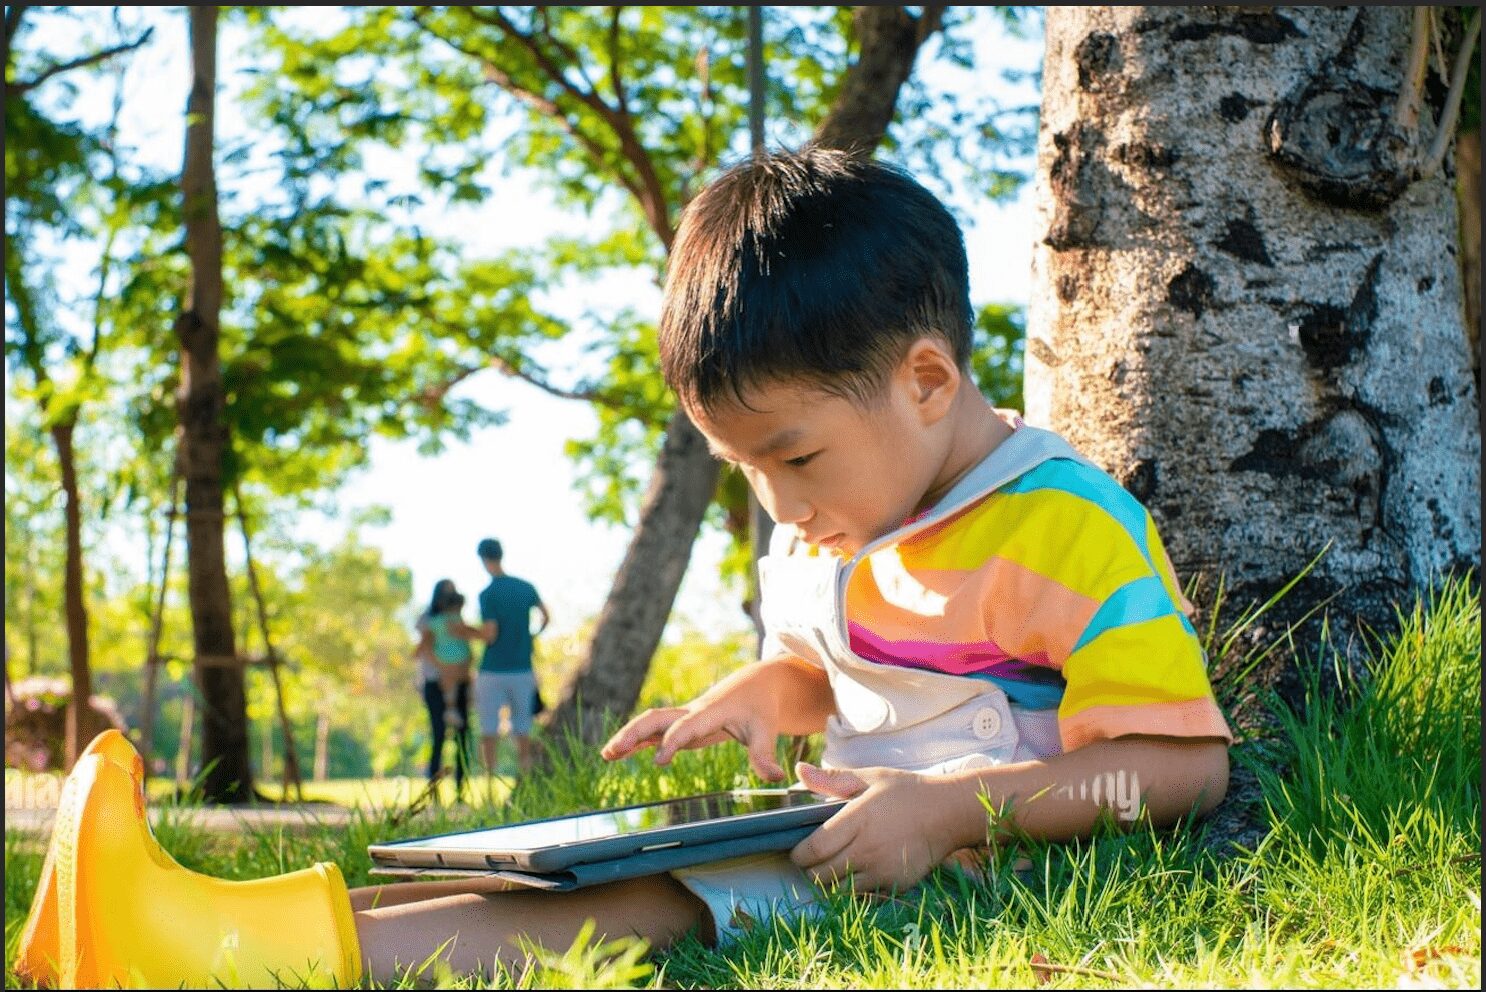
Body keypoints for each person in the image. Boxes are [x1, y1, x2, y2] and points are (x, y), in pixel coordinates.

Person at [13, 146, 1232, 989]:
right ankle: (179, 920)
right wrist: (769, 691)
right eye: (742, 467)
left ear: (925, 380)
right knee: (563, 863)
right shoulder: (841, 512)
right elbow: (839, 670)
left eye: (793, 455)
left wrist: (948, 807)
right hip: (848, 829)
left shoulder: (1063, 528)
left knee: (636, 899)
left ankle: (218, 954)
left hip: (959, 859)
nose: (778, 504)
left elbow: (1177, 772)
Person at [472, 537, 550, 775]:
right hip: (522, 667)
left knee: (489, 728)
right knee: (522, 728)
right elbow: (546, 617)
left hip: (492, 670)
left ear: (483, 560)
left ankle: (489, 783)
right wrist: (530, 637)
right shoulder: (525, 587)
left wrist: (464, 632)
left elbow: (490, 634)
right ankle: (525, 774)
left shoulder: (488, 594)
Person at [414, 579, 474, 802]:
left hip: (460, 682)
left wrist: (461, 670)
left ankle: (461, 791)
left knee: (462, 737)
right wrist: (445, 669)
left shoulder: (457, 621)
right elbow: (422, 650)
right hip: (434, 683)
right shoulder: (430, 621)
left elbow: (467, 647)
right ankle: (433, 791)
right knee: (438, 735)